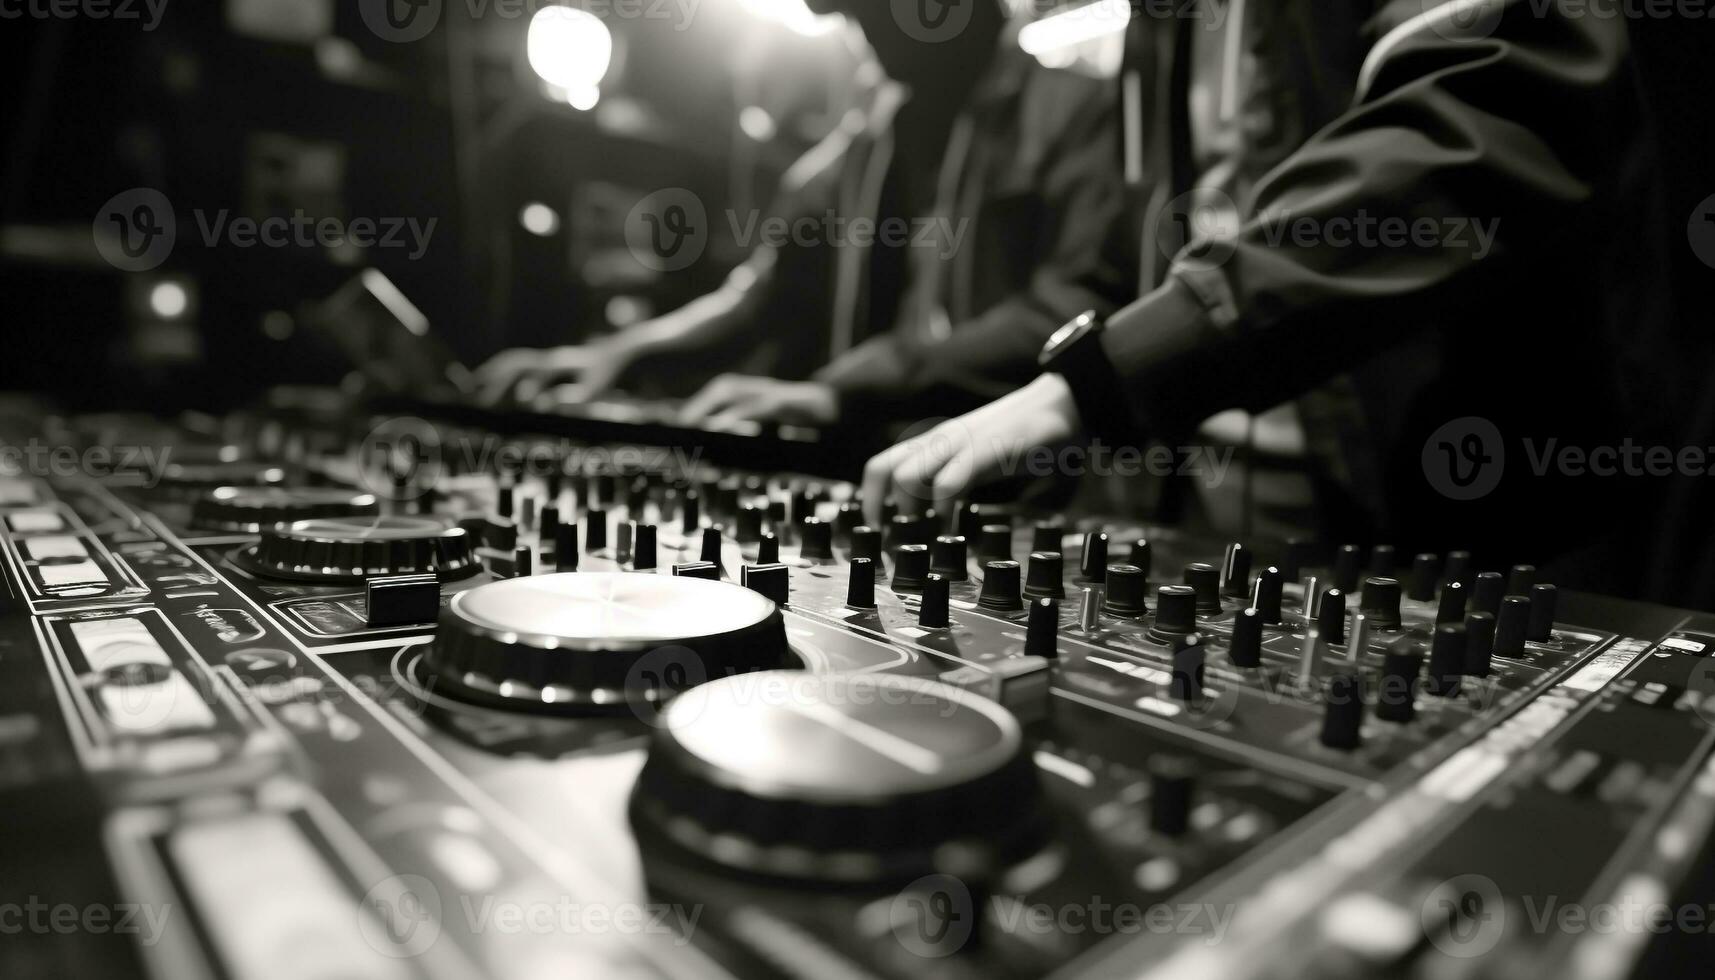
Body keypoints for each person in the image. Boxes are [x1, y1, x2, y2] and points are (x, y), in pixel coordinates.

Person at [860, 0, 1682, 587]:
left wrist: (1104, 381)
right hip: (1205, 524)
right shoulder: (1160, 24)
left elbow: (1477, 124)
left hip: (1446, 526)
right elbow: (1120, 266)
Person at [474, 0, 1121, 431]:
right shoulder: (866, 142)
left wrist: (843, 391)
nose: (864, 34)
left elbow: (1067, 308)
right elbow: (763, 292)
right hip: (879, 467)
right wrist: (620, 353)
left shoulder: (1078, 110)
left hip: (1027, 493)